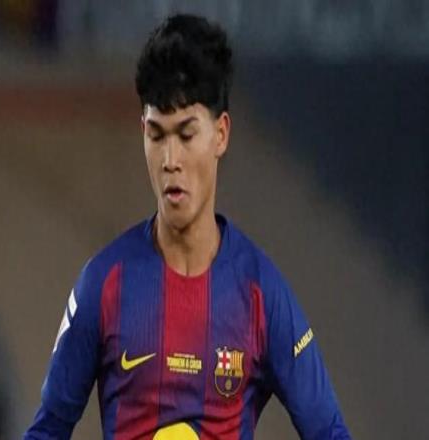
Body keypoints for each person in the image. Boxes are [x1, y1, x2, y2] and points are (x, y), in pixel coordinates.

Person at [24, 13, 350, 440]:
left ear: (221, 134)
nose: (170, 160)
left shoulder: (261, 295)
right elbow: (47, 430)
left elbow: (330, 432)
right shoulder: (103, 284)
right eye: (157, 135)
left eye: (186, 134)